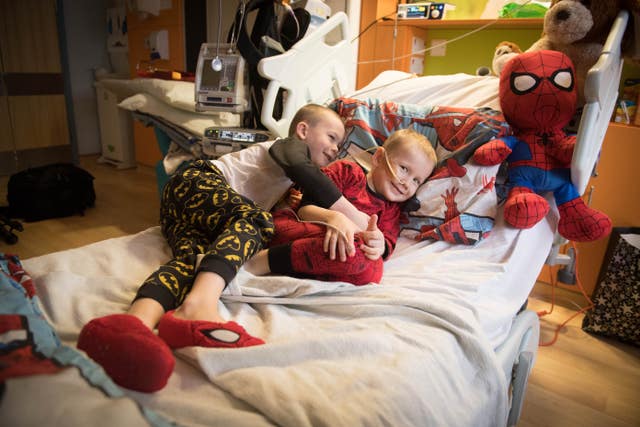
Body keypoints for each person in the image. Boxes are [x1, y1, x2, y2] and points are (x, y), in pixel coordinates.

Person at [77, 104, 369, 392]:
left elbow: (301, 206)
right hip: (197, 182)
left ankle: (133, 323)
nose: (335, 149)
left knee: (195, 263)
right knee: (257, 220)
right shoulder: (289, 147)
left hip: (191, 213)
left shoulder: (289, 182)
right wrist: (352, 216)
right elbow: (299, 168)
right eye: (331, 138)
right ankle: (198, 307)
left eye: (340, 145)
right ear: (303, 130)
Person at [244, 128, 437, 285]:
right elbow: (304, 209)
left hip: (343, 247)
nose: (406, 183)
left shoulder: (392, 210)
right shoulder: (347, 172)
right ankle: (263, 261)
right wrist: (334, 219)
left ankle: (303, 267)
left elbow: (385, 246)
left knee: (372, 270)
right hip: (302, 229)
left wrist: (378, 243)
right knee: (352, 250)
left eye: (416, 181)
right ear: (378, 158)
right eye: (404, 168)